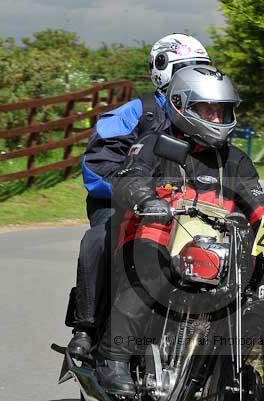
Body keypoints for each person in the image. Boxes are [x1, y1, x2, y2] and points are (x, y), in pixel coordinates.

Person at [94, 65, 264, 395]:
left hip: (217, 245)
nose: (216, 118)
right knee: (152, 275)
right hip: (158, 233)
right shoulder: (155, 144)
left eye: (222, 111)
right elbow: (131, 177)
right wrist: (146, 197)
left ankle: (227, 374)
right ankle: (113, 358)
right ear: (182, 106)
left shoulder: (236, 160)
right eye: (207, 110)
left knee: (259, 288)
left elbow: (258, 201)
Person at [66, 34, 213, 360]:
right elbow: (97, 168)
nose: (194, 81)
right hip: (124, 206)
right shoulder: (136, 112)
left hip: (187, 211)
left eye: (201, 71)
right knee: (98, 239)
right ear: (164, 72)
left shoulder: (206, 122)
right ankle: (86, 327)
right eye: (187, 71)